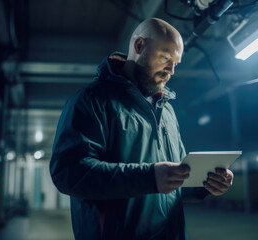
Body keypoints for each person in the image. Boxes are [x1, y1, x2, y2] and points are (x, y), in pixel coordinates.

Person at [50, 18, 234, 240]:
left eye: (176, 62)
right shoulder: (91, 101)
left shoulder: (167, 111)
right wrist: (150, 177)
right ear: (138, 46)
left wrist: (205, 184)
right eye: (166, 58)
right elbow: (68, 173)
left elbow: (173, 180)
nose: (171, 70)